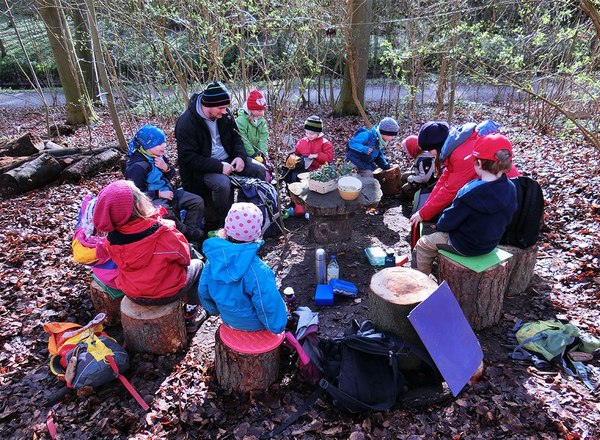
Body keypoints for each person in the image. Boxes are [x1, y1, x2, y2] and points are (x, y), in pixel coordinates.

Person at [92, 180, 206, 333]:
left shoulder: (111, 240)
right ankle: (191, 314)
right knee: (198, 265)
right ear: (139, 206)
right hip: (166, 293)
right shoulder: (163, 231)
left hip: (132, 293)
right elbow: (184, 258)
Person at [414, 134, 518, 275]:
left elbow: (447, 222)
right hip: (491, 243)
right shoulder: (511, 187)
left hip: (464, 245)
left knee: (423, 245)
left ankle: (420, 281)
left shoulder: (469, 192)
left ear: (479, 164)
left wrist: (439, 227)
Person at [175, 81, 266, 229]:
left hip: (228, 159)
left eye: (225, 108)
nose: (224, 112)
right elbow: (188, 158)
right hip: (202, 169)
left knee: (259, 169)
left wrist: (240, 156)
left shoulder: (224, 114)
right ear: (208, 104)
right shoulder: (186, 122)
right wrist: (218, 166)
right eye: (221, 108)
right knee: (222, 184)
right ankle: (227, 224)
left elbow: (236, 138)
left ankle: (252, 215)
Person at [409, 119, 519, 227]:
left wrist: (423, 214)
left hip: (502, 191)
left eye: (429, 150)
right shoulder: (455, 144)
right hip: (490, 186)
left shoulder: (461, 156)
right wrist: (424, 208)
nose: (429, 154)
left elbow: (450, 190)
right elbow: (444, 179)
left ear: (437, 146)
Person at [199, 202, 287, 334]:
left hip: (228, 319)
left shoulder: (213, 259)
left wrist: (214, 310)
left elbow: (203, 290)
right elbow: (268, 304)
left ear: (226, 229)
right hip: (255, 325)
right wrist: (277, 327)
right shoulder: (258, 270)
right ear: (257, 234)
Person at [125, 124, 205, 243]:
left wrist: (166, 168)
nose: (164, 146)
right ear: (147, 145)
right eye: (158, 144)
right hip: (152, 200)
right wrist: (159, 194)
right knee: (168, 214)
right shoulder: (137, 166)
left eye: (164, 142)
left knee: (197, 201)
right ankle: (185, 235)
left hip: (169, 192)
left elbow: (171, 174)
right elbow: (135, 194)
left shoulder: (158, 156)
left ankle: (192, 231)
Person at [72, 193, 119, 291]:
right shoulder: (113, 241)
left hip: (103, 276)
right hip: (119, 281)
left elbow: (81, 218)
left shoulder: (81, 236)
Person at [281, 115, 334, 184]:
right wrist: (290, 150)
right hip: (303, 168)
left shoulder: (325, 143)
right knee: (291, 174)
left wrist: (316, 155)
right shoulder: (303, 141)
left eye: (312, 134)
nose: (308, 135)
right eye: (307, 133)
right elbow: (296, 152)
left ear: (318, 133)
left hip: (317, 170)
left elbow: (329, 158)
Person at [399, 134, 436, 200]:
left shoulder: (425, 160)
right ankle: (402, 196)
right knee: (404, 176)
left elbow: (424, 178)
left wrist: (412, 178)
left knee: (406, 188)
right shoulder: (420, 155)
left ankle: (415, 200)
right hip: (422, 174)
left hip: (429, 182)